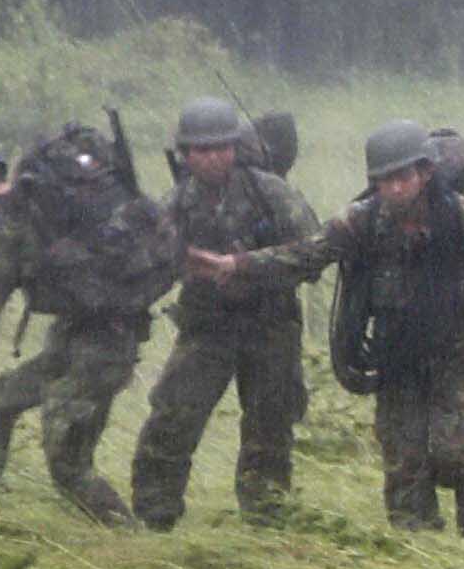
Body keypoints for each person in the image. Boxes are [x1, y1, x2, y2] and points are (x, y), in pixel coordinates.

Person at [223, 119, 464, 535]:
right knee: (403, 461)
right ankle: (419, 548)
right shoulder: (360, 222)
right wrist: (240, 265)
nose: (394, 189)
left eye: (402, 177)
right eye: (384, 180)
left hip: (451, 350)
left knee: (454, 451)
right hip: (394, 354)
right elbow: (308, 254)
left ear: (424, 173)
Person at [0, 126, 173, 526]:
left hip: (104, 344)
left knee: (68, 466)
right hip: (79, 334)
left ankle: (131, 541)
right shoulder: (39, 205)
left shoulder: (5, 223)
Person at [130, 98, 323, 529]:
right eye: (202, 150)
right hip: (207, 329)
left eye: (222, 147)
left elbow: (315, 252)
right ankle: (154, 519)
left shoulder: (269, 191)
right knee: (172, 420)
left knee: (269, 432)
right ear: (186, 155)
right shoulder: (176, 204)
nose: (214, 157)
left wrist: (246, 266)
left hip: (270, 327)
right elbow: (151, 268)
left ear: (235, 148)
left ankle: (267, 522)